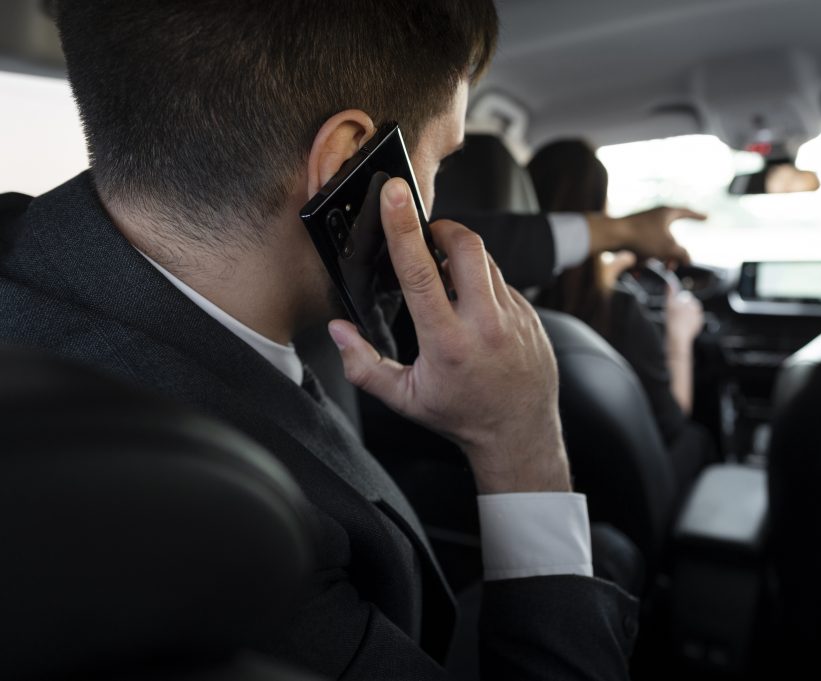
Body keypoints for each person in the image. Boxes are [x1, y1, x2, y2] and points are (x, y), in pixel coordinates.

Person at [0, 1, 653, 678]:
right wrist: (523, 447)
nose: (435, 198)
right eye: (440, 161)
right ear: (345, 162)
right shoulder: (220, 545)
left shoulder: (32, 258)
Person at [528, 139, 715, 492]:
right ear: (601, 211)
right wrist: (679, 338)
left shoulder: (494, 299)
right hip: (624, 494)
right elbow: (673, 421)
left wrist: (606, 272)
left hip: (550, 479)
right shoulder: (619, 313)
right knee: (696, 438)